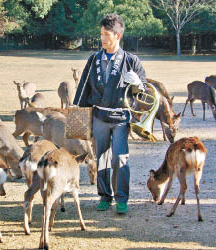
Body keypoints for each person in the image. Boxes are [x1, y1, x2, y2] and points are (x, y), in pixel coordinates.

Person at [73, 13, 147, 214]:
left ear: (118, 36)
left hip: (121, 118)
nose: (102, 39)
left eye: (106, 34)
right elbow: (84, 86)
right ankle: (105, 196)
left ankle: (122, 198)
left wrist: (138, 84)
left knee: (120, 158)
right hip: (99, 116)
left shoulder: (131, 61)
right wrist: (77, 110)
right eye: (101, 34)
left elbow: (145, 92)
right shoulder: (94, 59)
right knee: (101, 158)